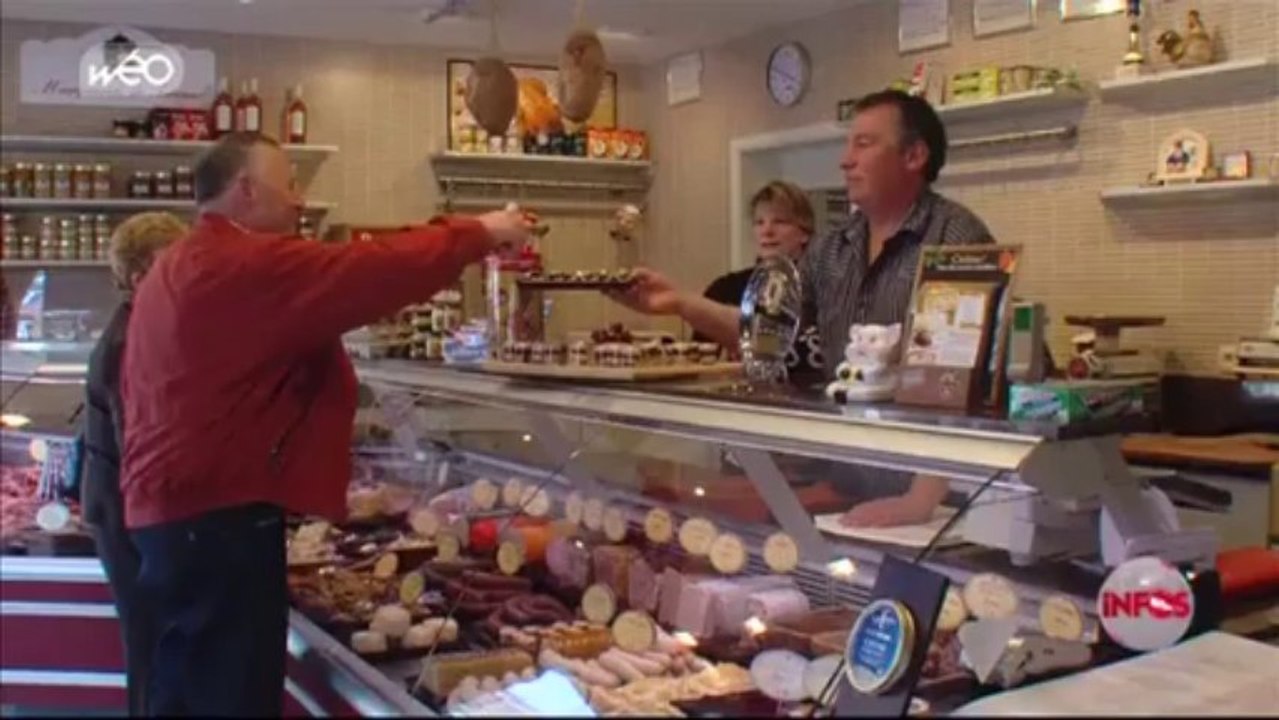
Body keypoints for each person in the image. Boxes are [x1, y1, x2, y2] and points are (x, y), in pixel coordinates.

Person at [119, 132, 533, 716]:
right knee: (227, 697)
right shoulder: (241, 261)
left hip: (176, 517)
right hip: (216, 522)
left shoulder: (180, 262)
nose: (299, 201)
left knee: (189, 685)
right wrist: (481, 231)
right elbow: (369, 270)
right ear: (245, 190)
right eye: (289, 184)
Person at [609, 90, 994, 528]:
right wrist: (679, 302)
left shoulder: (958, 238)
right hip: (848, 479)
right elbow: (766, 335)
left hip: (934, 505)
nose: (845, 161)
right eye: (848, 145)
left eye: (864, 145)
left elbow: (956, 378)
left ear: (914, 155)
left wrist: (919, 501)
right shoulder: (834, 249)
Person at [80, 211, 188, 716]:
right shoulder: (130, 340)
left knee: (153, 645)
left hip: (122, 508)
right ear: (141, 274)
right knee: (150, 648)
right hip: (127, 516)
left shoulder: (141, 325)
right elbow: (142, 446)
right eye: (176, 265)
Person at [695, 180, 823, 384]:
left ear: (804, 233)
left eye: (780, 222)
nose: (767, 231)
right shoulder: (723, 290)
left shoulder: (825, 289)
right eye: (759, 222)